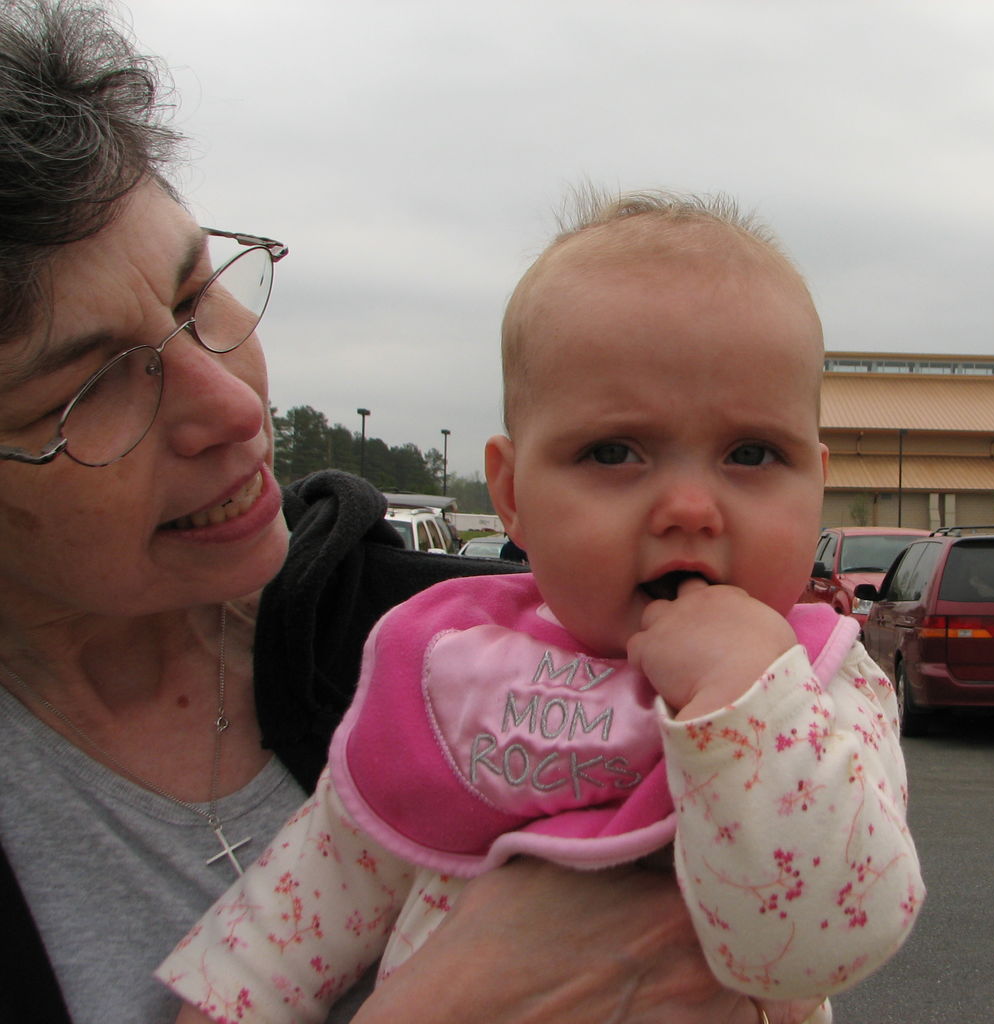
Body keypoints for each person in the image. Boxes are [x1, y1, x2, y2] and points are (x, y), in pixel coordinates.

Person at [0, 3, 817, 1022]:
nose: (233, 403)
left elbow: (819, 918)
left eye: (196, 296)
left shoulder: (456, 637)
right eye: (94, 389)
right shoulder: (435, 692)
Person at [158, 190, 926, 1024]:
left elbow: (819, 941)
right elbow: (302, 904)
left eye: (751, 453)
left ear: (816, 484)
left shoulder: (817, 687)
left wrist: (749, 697)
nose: (688, 508)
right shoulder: (457, 671)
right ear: (512, 494)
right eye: (612, 452)